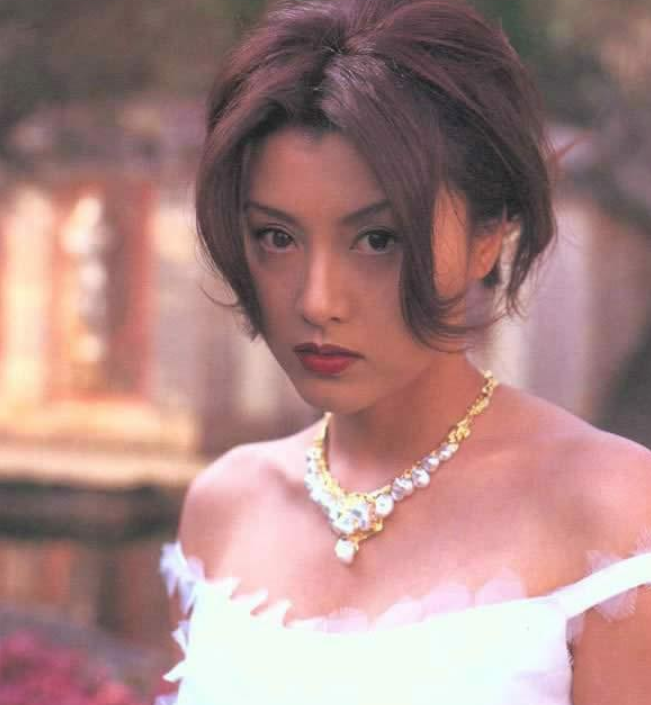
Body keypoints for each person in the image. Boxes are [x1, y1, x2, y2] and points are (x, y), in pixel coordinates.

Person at [157, 0, 651, 703]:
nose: (316, 300)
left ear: (488, 235)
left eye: (377, 240)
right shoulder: (225, 505)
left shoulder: (613, 511)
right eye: (277, 237)